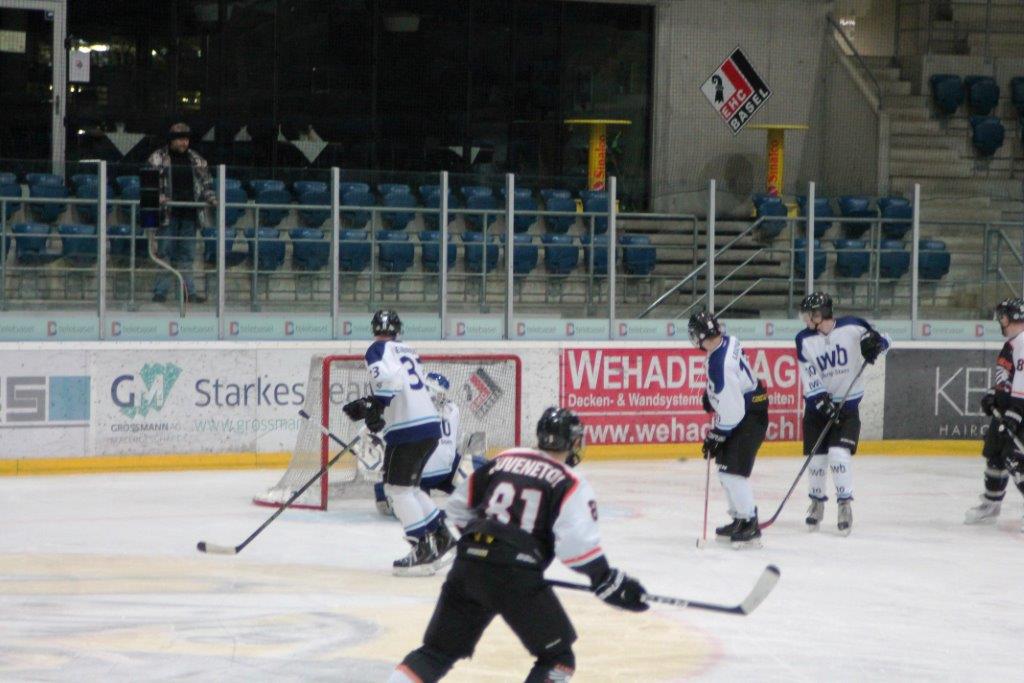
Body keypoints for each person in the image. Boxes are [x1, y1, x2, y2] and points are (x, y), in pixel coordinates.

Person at [388, 407, 648, 683]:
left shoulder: (506, 459)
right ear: (574, 442)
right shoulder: (569, 480)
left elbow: (457, 506)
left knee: (435, 653)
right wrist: (604, 578)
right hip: (515, 575)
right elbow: (577, 547)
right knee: (558, 660)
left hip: (468, 565)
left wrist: (483, 550)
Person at [342, 310, 455, 575]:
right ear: (398, 329)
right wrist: (372, 407)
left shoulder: (376, 349)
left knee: (397, 490)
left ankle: (422, 548)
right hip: (430, 426)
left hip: (408, 429)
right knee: (411, 489)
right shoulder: (409, 350)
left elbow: (389, 381)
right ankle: (442, 537)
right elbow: (401, 384)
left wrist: (375, 406)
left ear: (374, 328)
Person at [796, 292, 889, 535]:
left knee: (838, 455)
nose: (805, 319)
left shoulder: (853, 326)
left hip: (847, 408)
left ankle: (844, 504)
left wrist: (877, 345)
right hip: (817, 409)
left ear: (821, 314)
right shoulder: (803, 339)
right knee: (816, 460)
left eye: (809, 314)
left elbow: (882, 339)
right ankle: (816, 503)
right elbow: (808, 374)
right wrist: (820, 400)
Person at [689, 311, 769, 548]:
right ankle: (739, 519)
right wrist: (712, 395)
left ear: (701, 336)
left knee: (732, 472)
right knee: (725, 468)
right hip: (749, 408)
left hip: (749, 416)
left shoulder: (719, 365)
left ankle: (750, 523)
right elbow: (733, 385)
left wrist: (716, 435)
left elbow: (733, 413)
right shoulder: (728, 341)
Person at [965, 298, 1024, 529]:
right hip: (1008, 408)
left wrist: (1015, 415)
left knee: (1015, 458)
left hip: (1019, 411)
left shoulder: (1023, 343)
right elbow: (1009, 379)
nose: (1000, 320)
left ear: (1013, 317)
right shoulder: (1013, 343)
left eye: (1003, 316)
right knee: (995, 454)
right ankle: (991, 505)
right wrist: (994, 394)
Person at [374, 372, 465, 515]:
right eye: (438, 393)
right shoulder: (452, 409)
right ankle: (387, 494)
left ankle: (388, 494)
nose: (441, 398)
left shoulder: (411, 409)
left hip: (434, 473)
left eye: (442, 394)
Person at [146, 122, 216, 303]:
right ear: (171, 140)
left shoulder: (197, 160)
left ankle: (188, 293)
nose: (184, 143)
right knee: (164, 253)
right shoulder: (157, 158)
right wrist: (157, 197)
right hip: (167, 215)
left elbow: (207, 184)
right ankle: (160, 292)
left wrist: (212, 198)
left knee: (187, 255)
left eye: (186, 139)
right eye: (180, 139)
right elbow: (148, 187)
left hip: (190, 216)